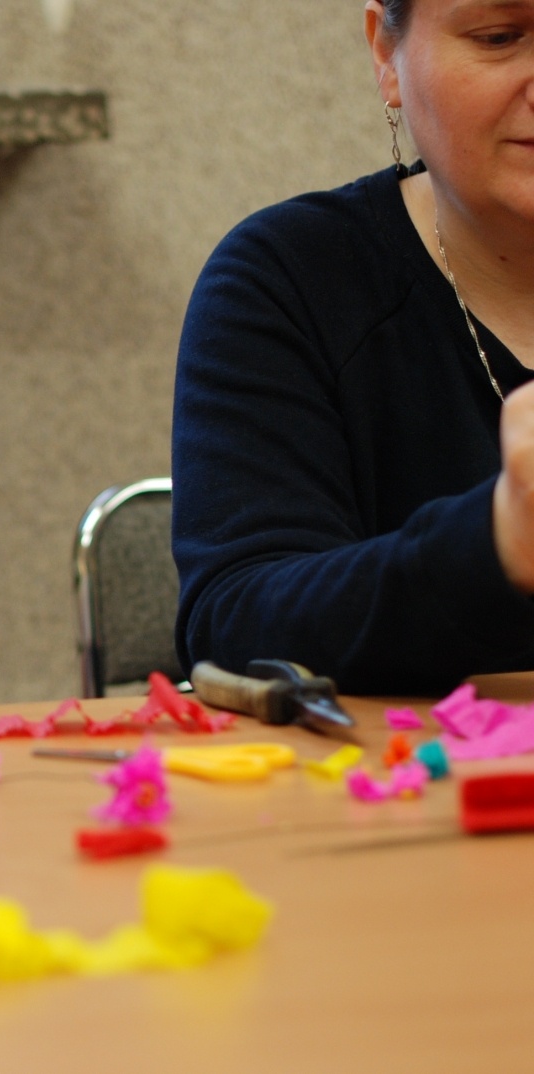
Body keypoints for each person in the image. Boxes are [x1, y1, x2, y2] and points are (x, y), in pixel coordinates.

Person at [172, 0, 534, 694]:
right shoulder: (292, 279)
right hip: (397, 793)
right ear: (386, 55)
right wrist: (494, 543)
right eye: (499, 37)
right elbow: (234, 623)